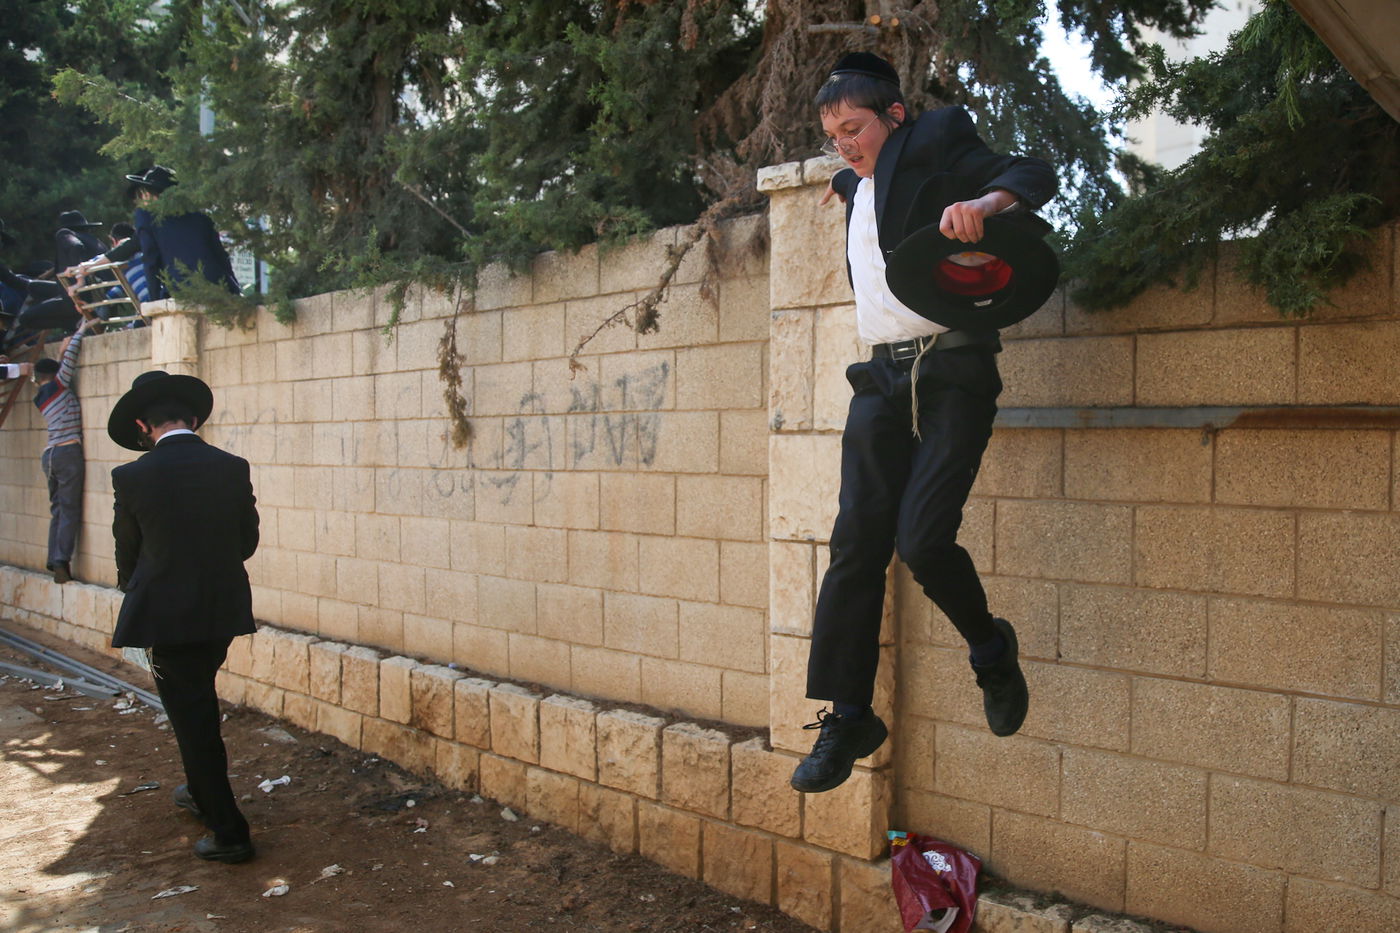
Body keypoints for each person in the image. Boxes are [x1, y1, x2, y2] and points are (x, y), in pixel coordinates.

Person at [789, 53, 1058, 794]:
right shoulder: (855, 179)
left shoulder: (937, 136)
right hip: (880, 376)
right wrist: (848, 179)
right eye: (832, 133)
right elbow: (865, 186)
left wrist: (988, 205)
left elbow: (1032, 172)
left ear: (895, 117)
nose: (844, 143)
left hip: (951, 371)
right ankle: (849, 714)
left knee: (924, 538)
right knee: (854, 544)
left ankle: (990, 651)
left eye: (855, 128)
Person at [108, 370, 260, 864]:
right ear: (193, 420)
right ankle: (201, 794)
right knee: (196, 707)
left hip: (166, 619)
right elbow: (246, 542)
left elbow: (127, 554)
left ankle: (229, 831)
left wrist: (141, 590)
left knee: (192, 722)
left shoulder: (131, 476)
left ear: (142, 425)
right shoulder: (232, 466)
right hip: (221, 613)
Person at [32, 317, 96, 583]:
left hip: (50, 456)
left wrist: (58, 354)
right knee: (69, 509)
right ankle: (61, 561)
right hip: (68, 453)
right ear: (55, 375)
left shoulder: (42, 395)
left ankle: (52, 557)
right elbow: (70, 359)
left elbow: (61, 366)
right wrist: (81, 330)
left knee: (57, 509)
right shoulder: (59, 386)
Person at [127, 166, 241, 297]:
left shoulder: (149, 218)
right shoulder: (200, 216)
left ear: (152, 194)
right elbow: (220, 255)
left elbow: (151, 261)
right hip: (217, 283)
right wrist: (234, 288)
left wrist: (154, 299)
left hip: (181, 287)